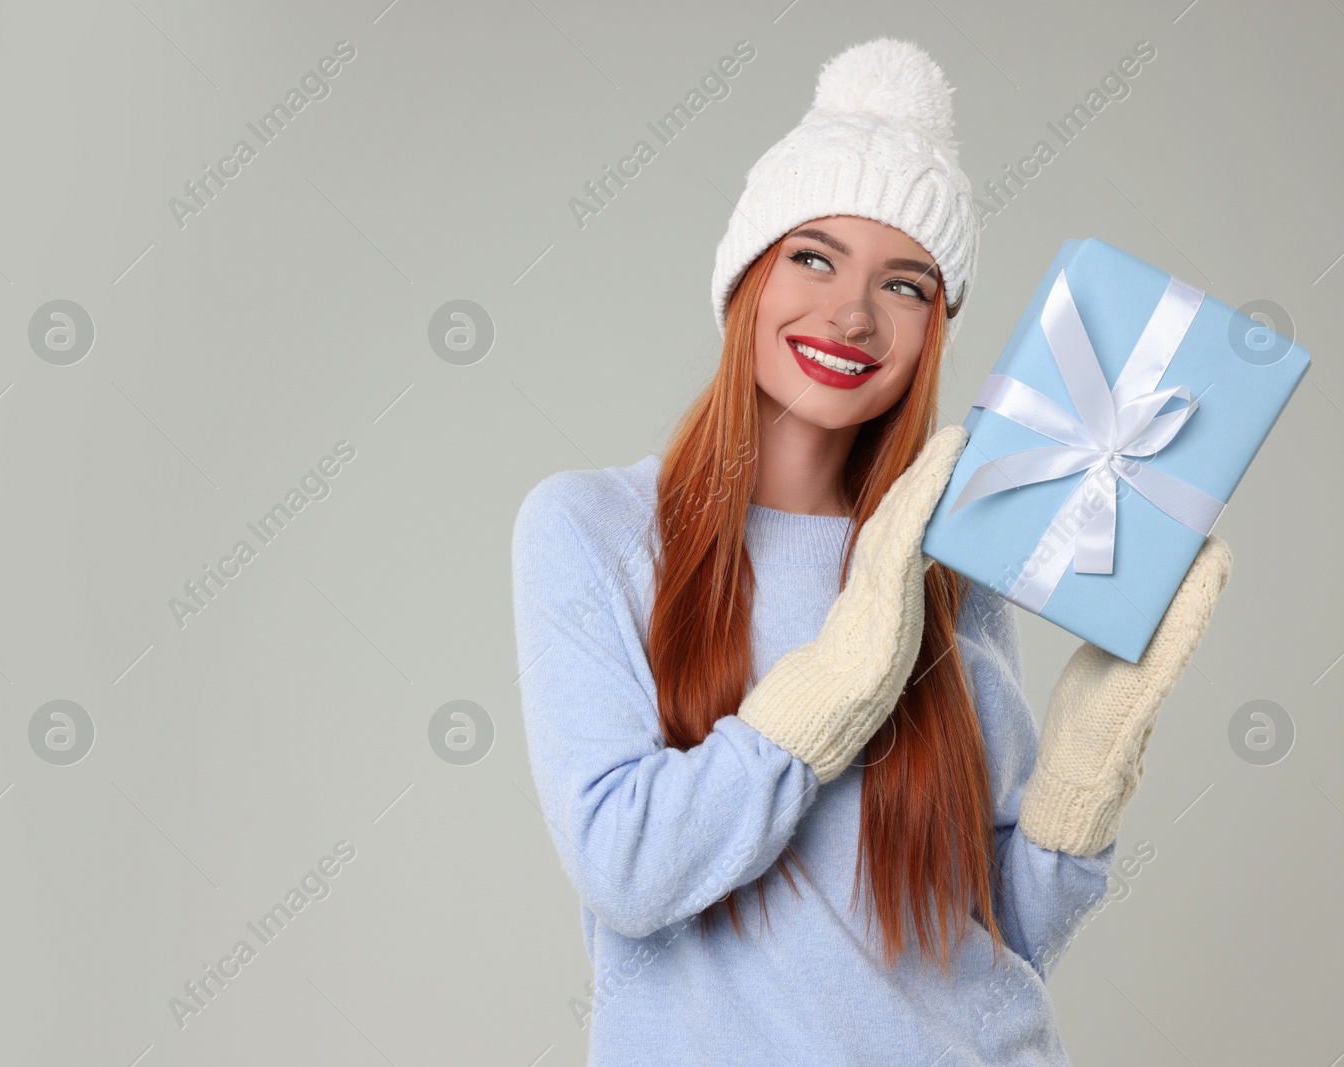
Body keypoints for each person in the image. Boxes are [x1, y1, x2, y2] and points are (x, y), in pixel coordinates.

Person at [511, 36, 1233, 1065]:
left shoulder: (947, 555)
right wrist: (840, 681)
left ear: (935, 325)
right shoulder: (592, 529)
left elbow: (996, 942)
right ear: (746, 277)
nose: (850, 312)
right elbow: (625, 868)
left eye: (904, 285)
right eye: (812, 256)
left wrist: (1082, 773)